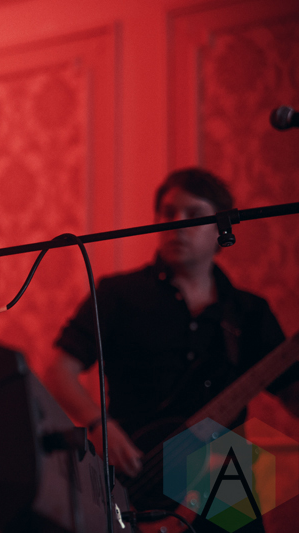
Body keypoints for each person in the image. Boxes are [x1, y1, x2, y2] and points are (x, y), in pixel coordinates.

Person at [44, 168, 299, 533]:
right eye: (168, 212)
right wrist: (99, 426)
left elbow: (291, 392)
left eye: (194, 214)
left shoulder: (248, 310)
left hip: (226, 474)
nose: (177, 224)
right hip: (135, 473)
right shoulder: (118, 294)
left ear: (221, 228)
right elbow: (59, 371)